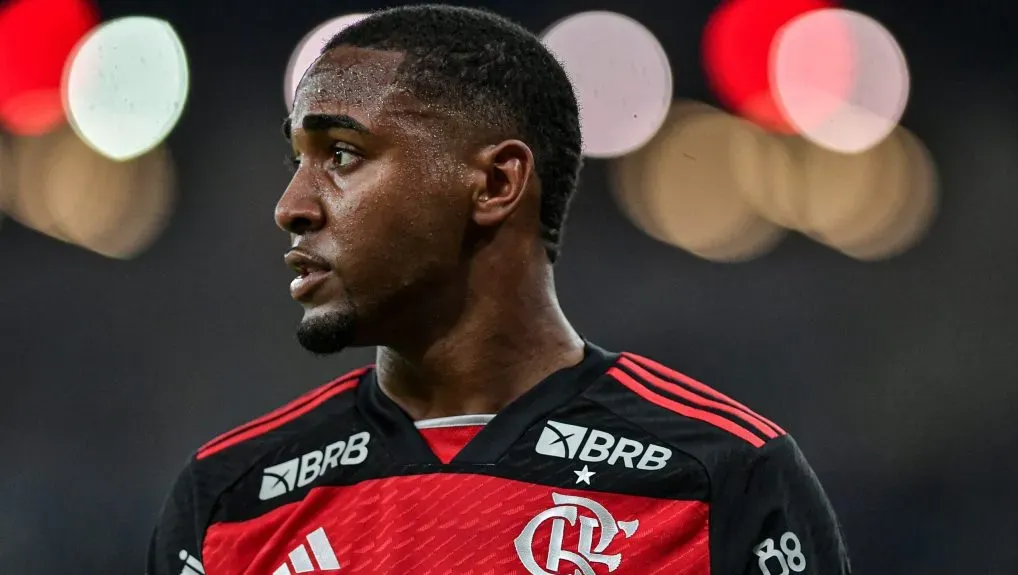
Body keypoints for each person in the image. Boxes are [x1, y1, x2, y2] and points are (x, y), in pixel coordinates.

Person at [147, 5, 851, 574]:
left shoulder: (720, 477)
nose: (292, 204)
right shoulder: (230, 502)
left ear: (494, 184)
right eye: (297, 159)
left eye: (341, 155)